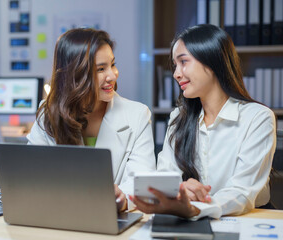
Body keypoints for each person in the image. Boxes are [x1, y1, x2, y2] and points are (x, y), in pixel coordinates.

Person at [130, 24, 276, 219]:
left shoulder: (258, 117)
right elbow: (166, 177)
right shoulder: (178, 118)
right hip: (187, 216)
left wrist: (199, 208)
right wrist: (180, 190)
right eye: (175, 65)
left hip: (247, 219)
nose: (176, 74)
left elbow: (243, 191)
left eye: (183, 62)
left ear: (212, 61)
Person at [27, 28, 156, 211]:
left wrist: (123, 198)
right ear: (74, 75)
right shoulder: (48, 113)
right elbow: (30, 174)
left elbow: (144, 183)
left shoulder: (138, 115)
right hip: (60, 216)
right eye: (101, 69)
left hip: (113, 219)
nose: (112, 75)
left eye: (112, 64)